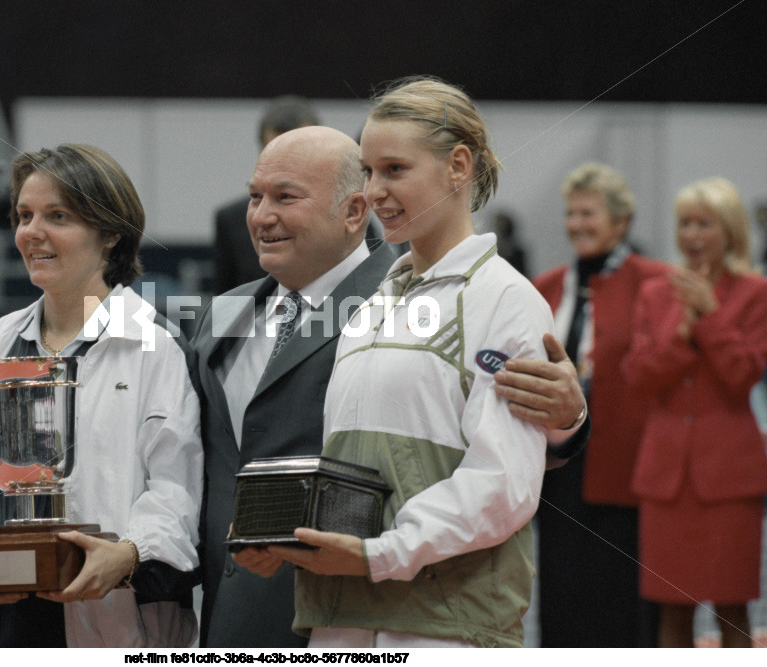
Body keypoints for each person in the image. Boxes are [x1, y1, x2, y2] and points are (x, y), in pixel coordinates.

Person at [198, 118, 587, 646]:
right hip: (272, 608)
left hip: (417, 605)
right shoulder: (222, 315)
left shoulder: (470, 296)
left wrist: (569, 421)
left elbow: (501, 459)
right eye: (254, 197)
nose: (262, 216)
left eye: (284, 197)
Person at [0, 144, 202, 647]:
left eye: (57, 216)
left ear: (111, 234)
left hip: (119, 624)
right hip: (4, 629)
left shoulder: (157, 348)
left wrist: (128, 554)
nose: (31, 232)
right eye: (24, 216)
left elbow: (179, 488)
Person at [621, 177, 767, 648]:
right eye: (686, 223)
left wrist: (710, 316)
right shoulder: (655, 293)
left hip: (729, 478)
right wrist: (684, 336)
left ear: (729, 231)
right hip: (666, 479)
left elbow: (743, 374)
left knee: (733, 608)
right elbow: (639, 375)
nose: (693, 234)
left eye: (705, 223)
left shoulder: (755, 292)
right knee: (671, 608)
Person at [532, 162, 667, 647]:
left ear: (620, 220)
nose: (577, 224)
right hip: (559, 467)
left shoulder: (657, 282)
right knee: (563, 596)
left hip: (628, 466)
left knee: (624, 603)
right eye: (571, 213)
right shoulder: (546, 286)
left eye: (588, 213)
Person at [213, 95, 320, 294]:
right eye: (274, 151)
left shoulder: (343, 210)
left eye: (297, 153)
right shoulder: (232, 219)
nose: (286, 164)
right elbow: (224, 300)